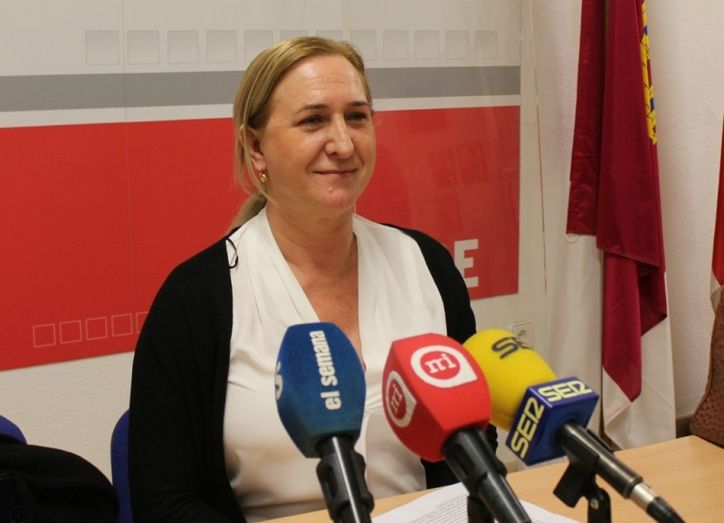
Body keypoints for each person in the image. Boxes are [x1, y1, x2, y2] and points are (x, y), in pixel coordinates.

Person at [128, 35, 496, 522]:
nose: (343, 144)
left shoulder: (427, 264)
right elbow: (163, 502)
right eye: (313, 120)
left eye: (357, 117)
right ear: (255, 147)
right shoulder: (196, 299)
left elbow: (474, 445)